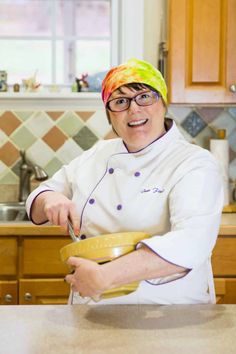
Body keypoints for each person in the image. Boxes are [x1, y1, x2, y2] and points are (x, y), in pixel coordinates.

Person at [26, 58, 223, 305]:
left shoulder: (194, 162)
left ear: (163, 103)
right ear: (110, 116)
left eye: (144, 97)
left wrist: (105, 276)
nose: (134, 109)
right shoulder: (99, 154)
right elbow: (41, 195)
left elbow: (191, 242)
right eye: (120, 102)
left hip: (169, 314)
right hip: (94, 309)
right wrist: (50, 199)